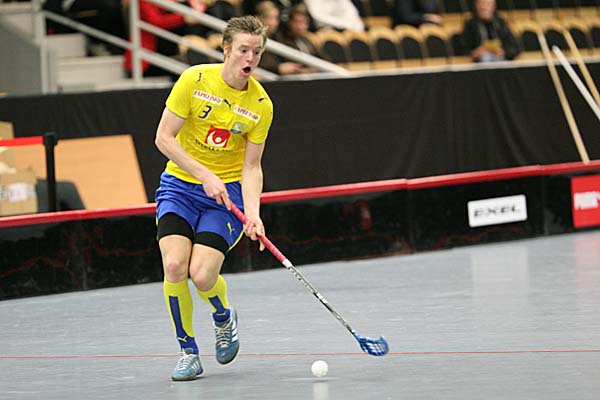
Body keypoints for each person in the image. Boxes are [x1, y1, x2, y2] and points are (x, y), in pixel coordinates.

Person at [153, 15, 273, 381]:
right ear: (226, 49)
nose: (249, 58)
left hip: (226, 195)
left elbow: (251, 166)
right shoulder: (194, 80)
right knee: (175, 265)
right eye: (243, 50)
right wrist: (203, 174)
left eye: (256, 52)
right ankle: (188, 351)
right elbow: (163, 138)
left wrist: (253, 213)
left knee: (203, 275)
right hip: (180, 187)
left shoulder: (260, 104)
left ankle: (223, 317)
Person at [255, 1, 316, 75]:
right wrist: (278, 67)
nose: (274, 23)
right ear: (258, 18)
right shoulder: (253, 38)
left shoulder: (277, 38)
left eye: (276, 18)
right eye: (269, 18)